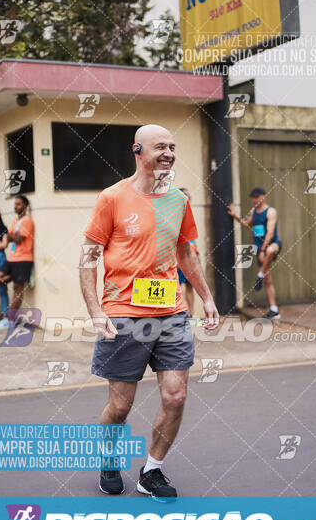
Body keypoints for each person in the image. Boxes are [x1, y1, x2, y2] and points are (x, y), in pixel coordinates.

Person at [80, 124, 219, 501]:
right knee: (121, 404)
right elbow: (89, 258)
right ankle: (108, 458)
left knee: (175, 397)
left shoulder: (177, 200)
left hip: (171, 311)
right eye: (161, 146)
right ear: (138, 150)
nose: (169, 153)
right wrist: (95, 310)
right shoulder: (112, 198)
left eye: (173, 147)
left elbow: (185, 253)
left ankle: (151, 471)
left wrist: (205, 296)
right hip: (124, 312)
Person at [228, 187, 282, 320]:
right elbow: (247, 224)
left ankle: (259, 275)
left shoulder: (271, 212)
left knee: (270, 250)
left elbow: (270, 232)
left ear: (263, 197)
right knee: (268, 280)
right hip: (258, 248)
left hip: (271, 244)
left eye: (257, 197)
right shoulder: (253, 211)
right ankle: (274, 309)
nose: (254, 199)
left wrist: (263, 249)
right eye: (253, 197)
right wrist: (234, 215)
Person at [0, 195, 34, 330]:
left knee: (18, 291)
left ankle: (9, 320)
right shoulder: (16, 220)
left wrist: (10, 235)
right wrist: (11, 236)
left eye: (19, 204)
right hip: (12, 259)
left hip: (23, 260)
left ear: (26, 206)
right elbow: (10, 238)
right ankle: (16, 278)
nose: (16, 206)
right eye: (15, 204)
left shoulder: (27, 221)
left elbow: (18, 238)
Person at [177, 188, 200, 318]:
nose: (188, 199)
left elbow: (192, 238)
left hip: (190, 256)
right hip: (178, 258)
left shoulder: (189, 215)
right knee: (176, 288)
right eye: (185, 196)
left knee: (190, 285)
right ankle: (181, 315)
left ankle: (192, 314)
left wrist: (197, 255)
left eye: (189, 196)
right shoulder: (174, 215)